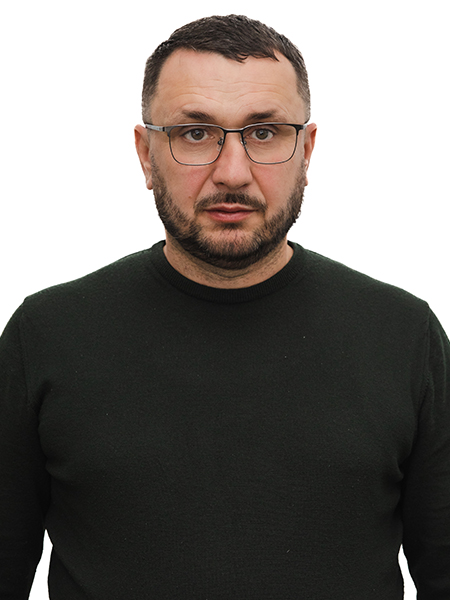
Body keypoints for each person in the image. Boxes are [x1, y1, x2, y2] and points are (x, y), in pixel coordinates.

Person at [0, 14, 449, 600]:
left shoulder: (404, 337)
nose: (232, 173)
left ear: (306, 150)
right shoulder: (45, 337)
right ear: (146, 154)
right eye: (195, 133)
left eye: (265, 133)